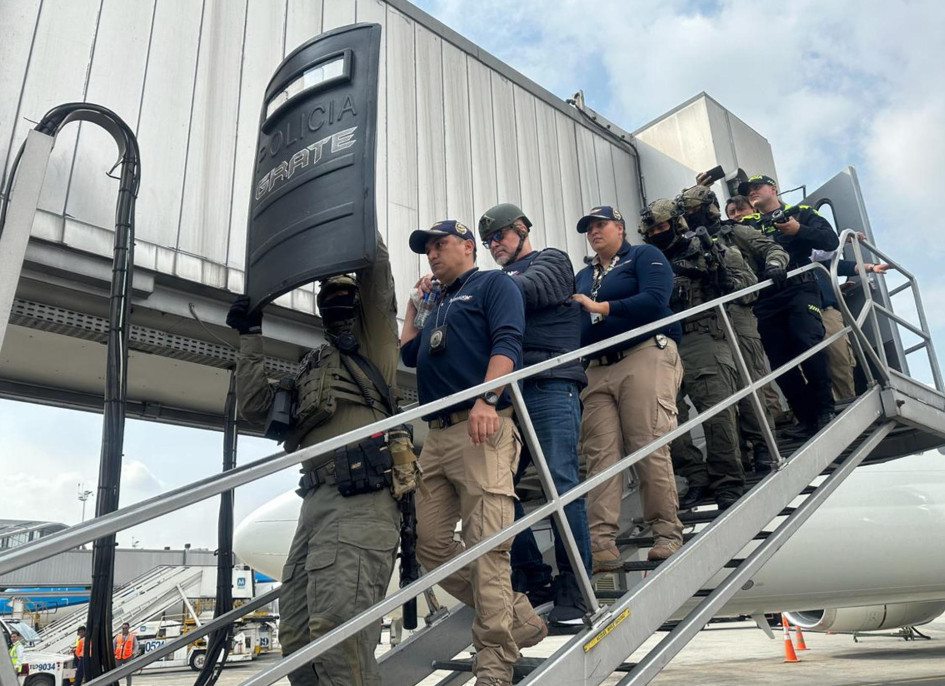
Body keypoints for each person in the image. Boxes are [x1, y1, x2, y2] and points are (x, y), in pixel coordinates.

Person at [228, 230, 411, 686]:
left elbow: (379, 280)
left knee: (338, 637)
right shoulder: (313, 366)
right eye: (329, 296)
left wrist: (350, 213)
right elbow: (256, 410)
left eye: (347, 295)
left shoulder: (374, 347)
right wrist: (250, 337)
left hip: (361, 501)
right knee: (296, 637)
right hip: (315, 506)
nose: (338, 302)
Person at [401, 219, 544, 686]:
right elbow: (408, 355)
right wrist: (412, 306)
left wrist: (489, 398)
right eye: (427, 250)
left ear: (467, 246)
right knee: (430, 546)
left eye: (440, 245)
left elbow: (508, 342)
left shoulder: (492, 284)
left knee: (488, 549)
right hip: (438, 436)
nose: (432, 255)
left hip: (483, 425)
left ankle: (494, 667)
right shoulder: (437, 303)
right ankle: (516, 616)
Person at [478, 203, 592, 623]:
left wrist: (484, 290)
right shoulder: (499, 280)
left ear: (522, 229)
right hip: (509, 395)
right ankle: (533, 574)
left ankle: (574, 585)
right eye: (489, 240)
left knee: (560, 482)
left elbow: (534, 289)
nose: (495, 244)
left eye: (501, 236)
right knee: (499, 489)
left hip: (550, 383)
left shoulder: (552, 261)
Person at [572, 206, 684, 567]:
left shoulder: (643, 255)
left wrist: (601, 307)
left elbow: (655, 300)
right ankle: (601, 542)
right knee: (599, 455)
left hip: (644, 351)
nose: (594, 232)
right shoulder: (582, 275)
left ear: (619, 227)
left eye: (601, 224)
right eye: (589, 228)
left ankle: (667, 532)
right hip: (596, 367)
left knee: (647, 442)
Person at [640, 198, 753, 509]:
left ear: (676, 224)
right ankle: (695, 476)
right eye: (652, 229)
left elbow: (746, 286)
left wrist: (717, 277)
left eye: (663, 226)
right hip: (661, 344)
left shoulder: (705, 247)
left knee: (717, 411)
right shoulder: (646, 261)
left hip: (703, 334)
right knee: (666, 420)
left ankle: (727, 481)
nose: (658, 233)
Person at [679, 184, 790, 472]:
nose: (689, 215)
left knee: (750, 381)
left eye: (692, 209)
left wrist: (775, 266)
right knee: (722, 391)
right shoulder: (685, 242)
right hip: (706, 322)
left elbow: (771, 248)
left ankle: (763, 445)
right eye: (685, 211)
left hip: (740, 310)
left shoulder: (732, 232)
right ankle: (739, 453)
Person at [738, 174, 840, 438]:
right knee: (780, 359)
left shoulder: (801, 212)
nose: (751, 192)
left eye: (756, 187)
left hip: (799, 287)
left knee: (806, 341)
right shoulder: (746, 223)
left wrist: (798, 231)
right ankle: (806, 417)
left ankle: (825, 409)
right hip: (765, 297)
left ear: (773, 188)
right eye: (747, 190)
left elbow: (831, 242)